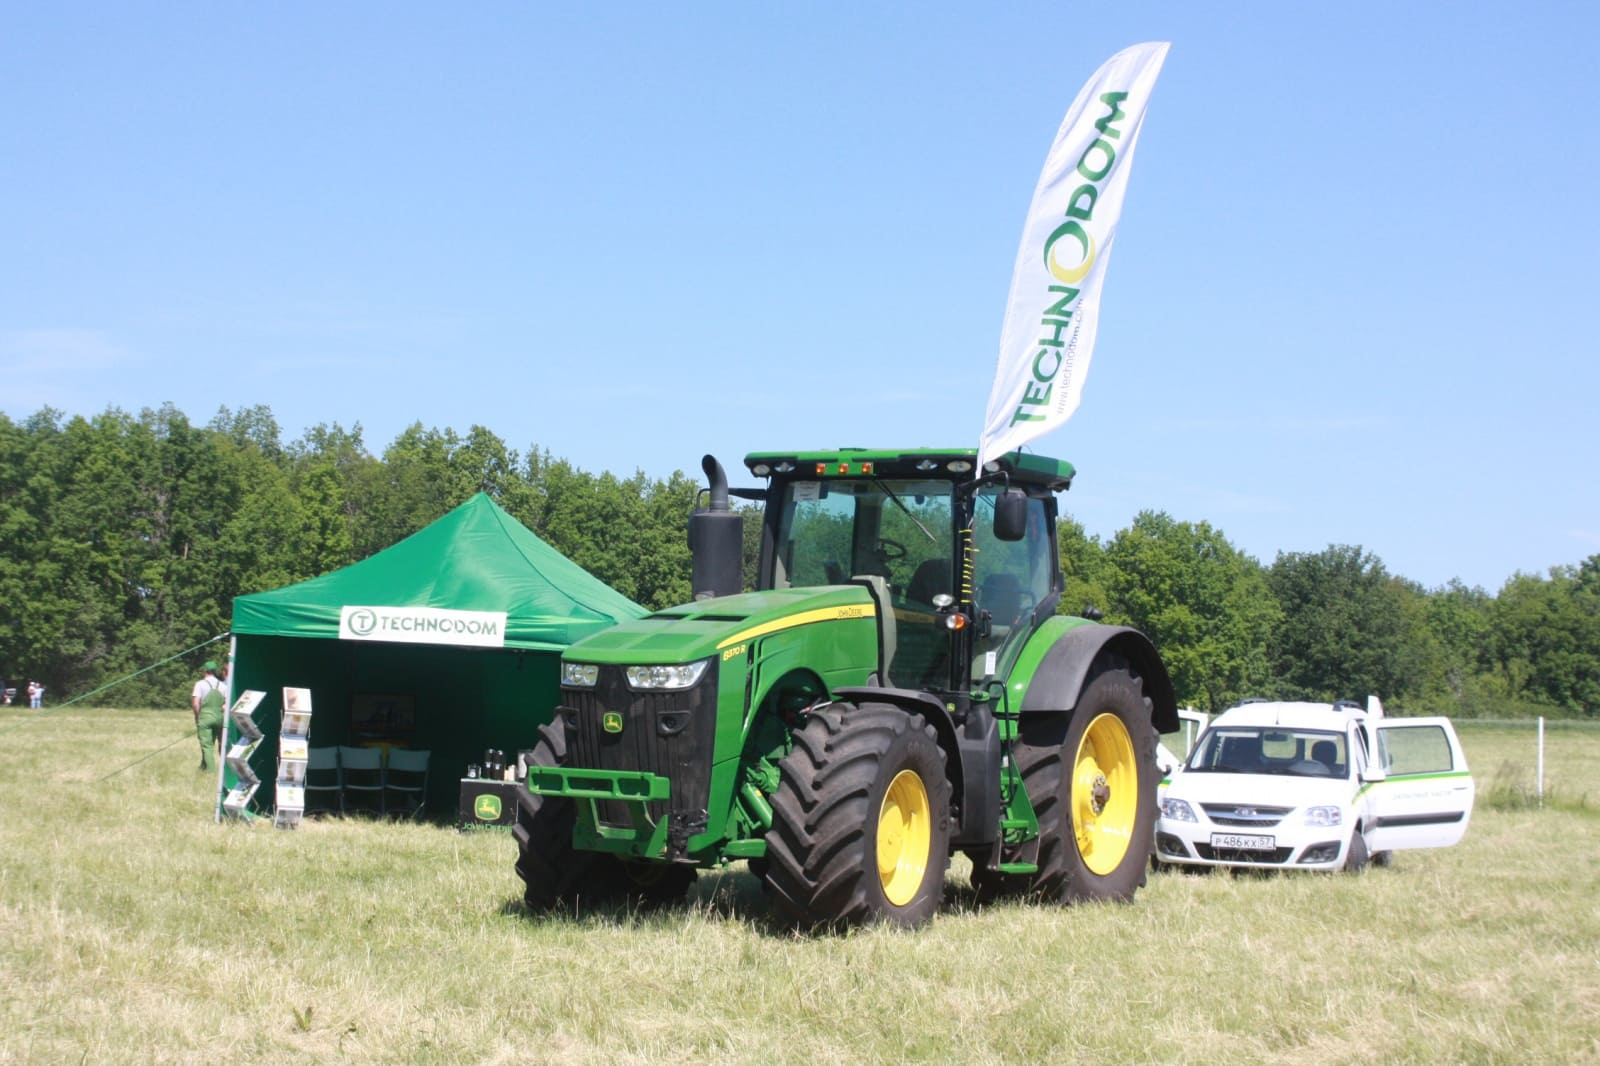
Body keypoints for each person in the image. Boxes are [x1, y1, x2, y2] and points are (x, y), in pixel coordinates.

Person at [191, 661, 227, 771]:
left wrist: (198, 716)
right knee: (210, 743)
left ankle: (210, 771)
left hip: (205, 718)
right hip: (219, 719)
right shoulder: (223, 685)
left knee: (207, 746)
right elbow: (226, 704)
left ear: (205, 671)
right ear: (215, 671)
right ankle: (203, 767)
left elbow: (195, 704)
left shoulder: (200, 684)